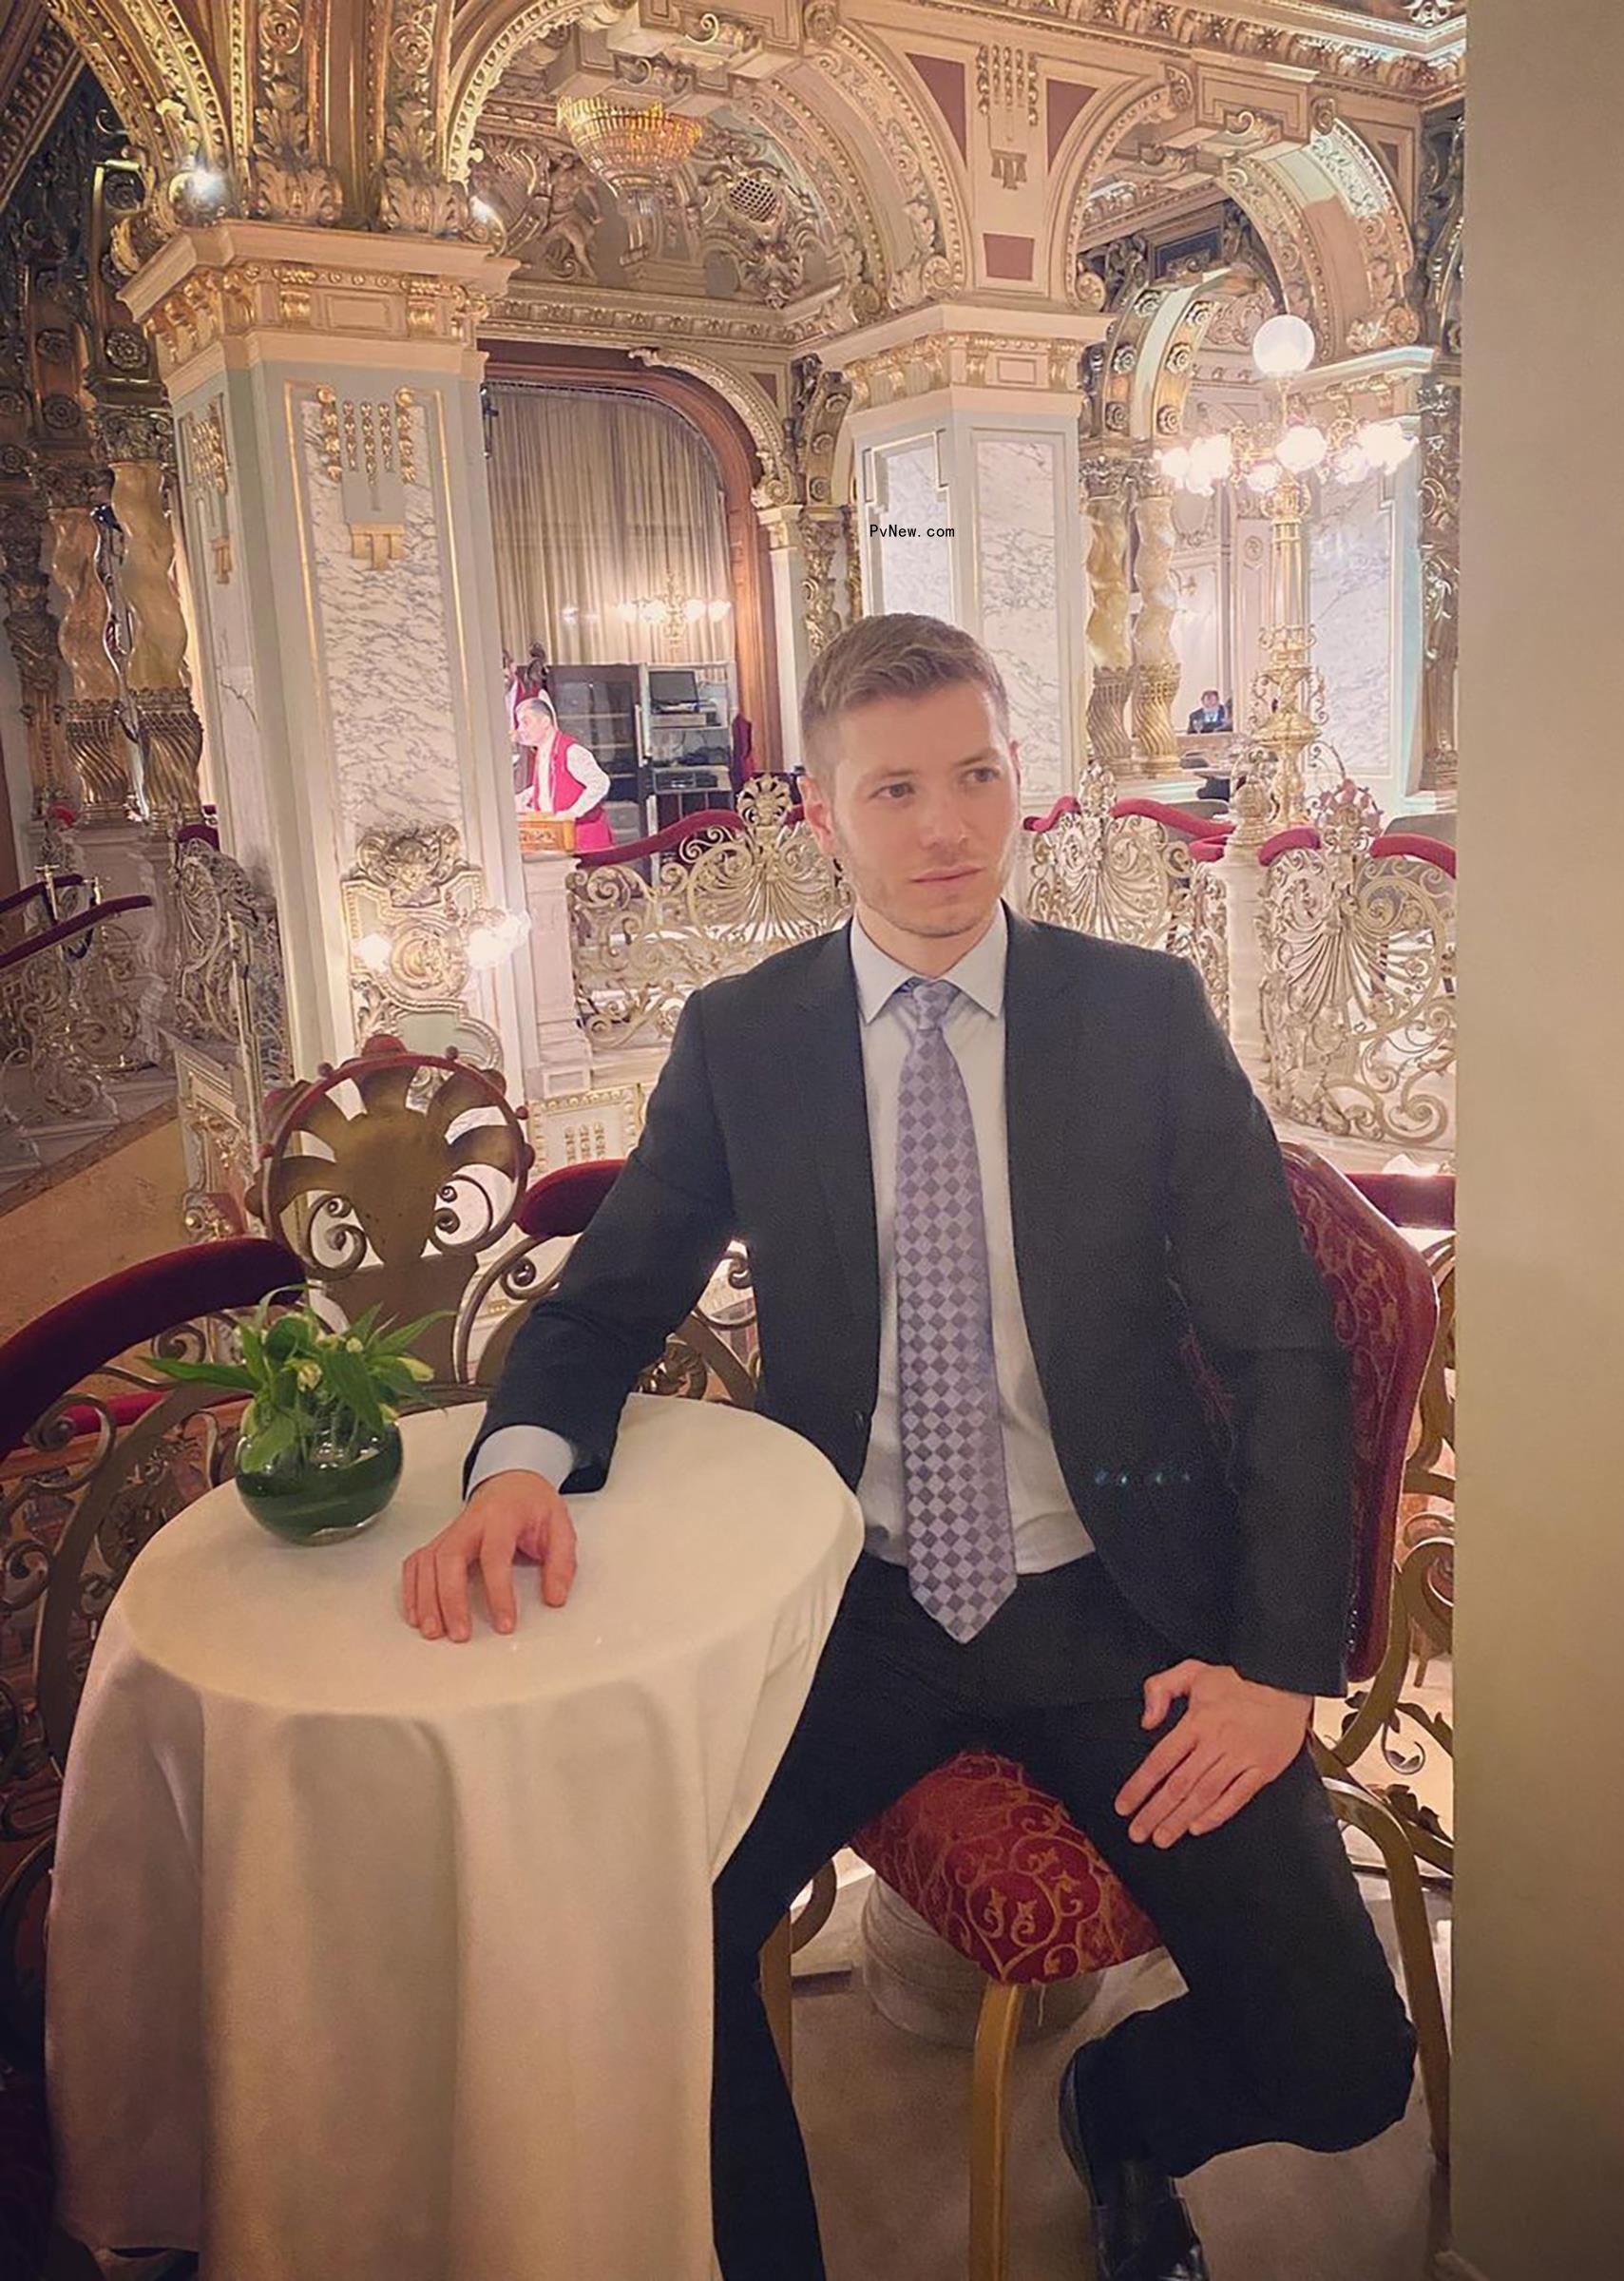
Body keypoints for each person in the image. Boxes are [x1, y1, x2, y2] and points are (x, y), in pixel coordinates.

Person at [401, 615, 1416, 2281]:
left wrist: (1275, 1662)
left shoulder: (1141, 1017)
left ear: (1020, 777)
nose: (947, 828)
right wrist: (518, 1462)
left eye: (977, 775)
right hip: (843, 1603)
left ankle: (1125, 2111)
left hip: (1116, 1596)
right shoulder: (748, 1038)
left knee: (1342, 2059)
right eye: (895, 790)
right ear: (823, 812)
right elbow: (608, 1299)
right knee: (661, 1929)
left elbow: (1281, 1346)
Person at [514, 693, 615, 853]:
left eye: (526, 722)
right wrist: (525, 796)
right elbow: (550, 784)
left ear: (545, 721)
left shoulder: (571, 751)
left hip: (584, 842)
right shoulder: (543, 752)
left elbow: (600, 783)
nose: (521, 730)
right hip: (558, 841)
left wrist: (573, 812)